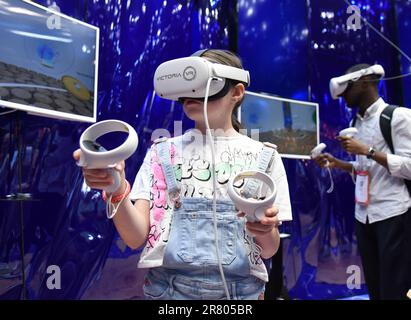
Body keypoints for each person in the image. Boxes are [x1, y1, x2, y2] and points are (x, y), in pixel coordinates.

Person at [73, 49, 292, 300]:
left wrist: (265, 231)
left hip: (243, 295)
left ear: (237, 92)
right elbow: (135, 238)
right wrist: (116, 188)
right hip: (169, 293)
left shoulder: (264, 158)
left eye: (202, 81)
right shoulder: (162, 153)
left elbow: (268, 251)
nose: (192, 92)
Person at [314, 63, 411, 300]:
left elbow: (409, 166)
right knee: (376, 287)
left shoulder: (397, 116)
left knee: (394, 287)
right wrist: (338, 163)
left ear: (365, 82)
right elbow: (365, 170)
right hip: (364, 215)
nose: (343, 95)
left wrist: (368, 150)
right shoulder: (357, 124)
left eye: (348, 87)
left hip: (393, 212)